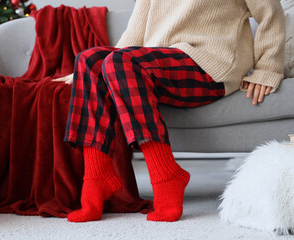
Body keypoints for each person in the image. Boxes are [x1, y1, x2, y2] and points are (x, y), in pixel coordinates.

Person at [53, 0, 285, 222]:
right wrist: (92, 72)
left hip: (214, 63)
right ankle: (97, 176)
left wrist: (267, 67)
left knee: (119, 62)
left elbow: (271, 13)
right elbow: (135, 31)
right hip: (163, 61)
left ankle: (166, 175)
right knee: (88, 59)